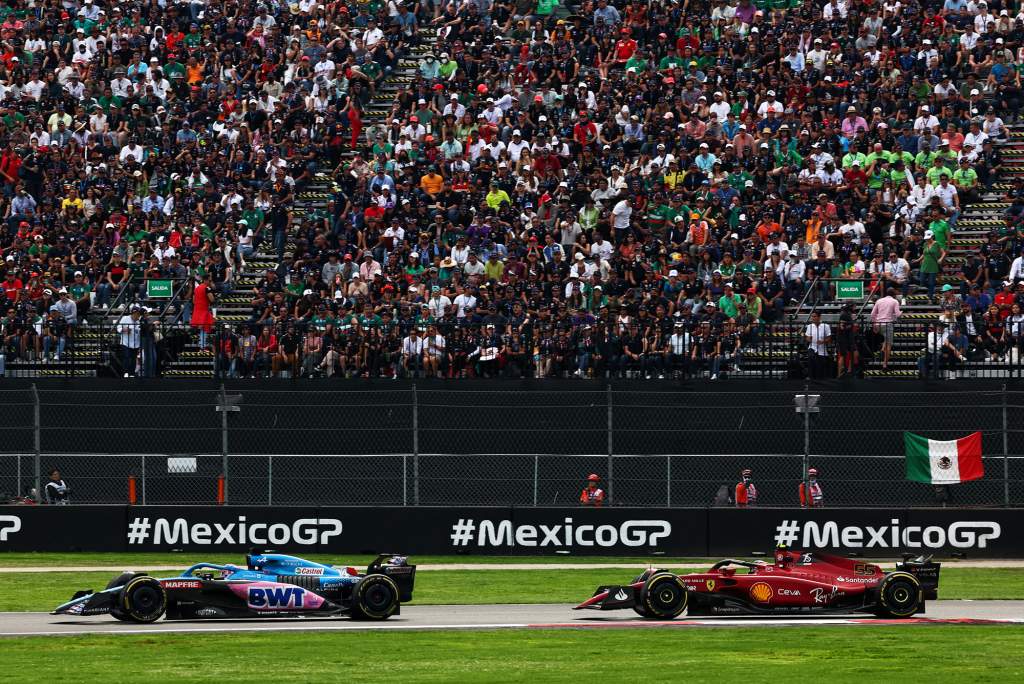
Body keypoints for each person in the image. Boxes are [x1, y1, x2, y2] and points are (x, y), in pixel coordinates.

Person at [870, 291, 902, 371]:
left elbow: (872, 314)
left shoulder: (879, 301)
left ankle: (882, 350)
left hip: (879, 324)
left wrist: (874, 324)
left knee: (885, 340)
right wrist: (902, 313)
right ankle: (884, 365)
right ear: (894, 295)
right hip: (888, 324)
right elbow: (898, 314)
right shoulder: (895, 301)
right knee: (889, 345)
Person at [804, 311, 832, 379]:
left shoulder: (826, 326)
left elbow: (829, 338)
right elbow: (807, 337)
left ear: (819, 317)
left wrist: (823, 341)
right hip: (812, 347)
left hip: (822, 349)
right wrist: (809, 339)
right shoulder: (809, 326)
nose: (813, 318)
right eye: (812, 316)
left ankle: (819, 380)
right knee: (812, 360)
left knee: (820, 366)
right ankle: (811, 378)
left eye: (814, 316)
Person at [191, 273, 215, 351]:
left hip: (197, 310)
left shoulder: (197, 288)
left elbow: (194, 301)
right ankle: (202, 347)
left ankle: (202, 346)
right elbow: (212, 299)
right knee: (205, 328)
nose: (210, 281)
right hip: (204, 311)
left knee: (202, 329)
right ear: (206, 280)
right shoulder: (207, 288)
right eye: (209, 280)